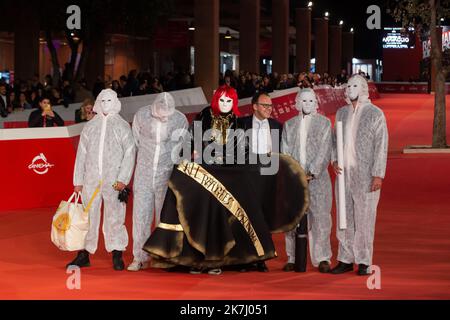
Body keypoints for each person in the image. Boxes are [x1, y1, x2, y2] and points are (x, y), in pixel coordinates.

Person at [67, 89, 136, 271]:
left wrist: (123, 179)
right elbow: (81, 155)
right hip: (91, 179)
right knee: (87, 215)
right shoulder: (90, 126)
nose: (105, 103)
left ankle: (117, 252)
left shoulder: (122, 126)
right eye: (102, 100)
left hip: (114, 181)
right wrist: (78, 181)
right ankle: (84, 254)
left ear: (115, 101)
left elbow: (130, 153)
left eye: (109, 100)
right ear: (98, 102)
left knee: (115, 215)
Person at [330, 74, 388, 276]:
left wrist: (378, 174)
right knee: (344, 217)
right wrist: (334, 160)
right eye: (348, 86)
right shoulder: (341, 113)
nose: (350, 89)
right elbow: (334, 141)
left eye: (355, 85)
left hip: (365, 174)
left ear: (363, 88)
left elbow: (381, 145)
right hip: (343, 174)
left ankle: (363, 260)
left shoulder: (375, 114)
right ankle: (345, 259)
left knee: (365, 218)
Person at [127, 92, 188, 271]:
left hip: (167, 173)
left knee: (165, 215)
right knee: (140, 216)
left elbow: (182, 145)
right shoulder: (142, 115)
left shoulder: (179, 119)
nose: (163, 113)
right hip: (144, 173)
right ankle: (139, 256)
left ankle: (163, 255)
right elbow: (136, 141)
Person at [281, 88, 333, 273]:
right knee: (293, 219)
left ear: (316, 103)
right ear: (297, 102)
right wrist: (293, 172)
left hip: (318, 181)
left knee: (321, 218)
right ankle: (292, 257)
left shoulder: (324, 123)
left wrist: (312, 172)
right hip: (294, 181)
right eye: (304, 101)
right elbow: (284, 151)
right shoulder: (289, 125)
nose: (308, 104)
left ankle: (323, 258)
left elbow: (325, 150)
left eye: (311, 101)